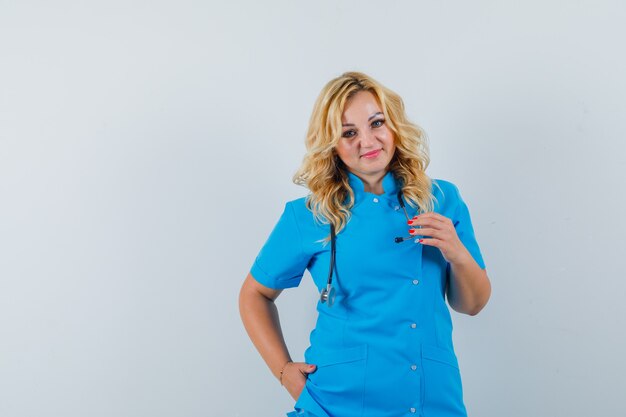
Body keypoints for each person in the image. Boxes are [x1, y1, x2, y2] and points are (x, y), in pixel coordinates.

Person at [239, 71, 491, 417]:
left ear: (394, 126)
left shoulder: (441, 199)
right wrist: (284, 372)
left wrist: (457, 253)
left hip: (430, 397)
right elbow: (254, 294)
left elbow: (473, 304)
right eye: (349, 133)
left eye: (377, 123)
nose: (368, 141)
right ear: (331, 143)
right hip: (336, 402)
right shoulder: (309, 215)